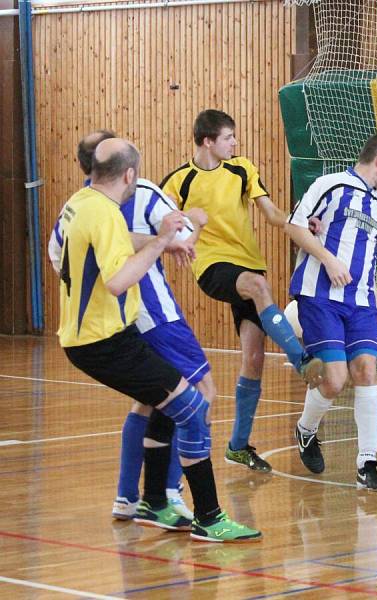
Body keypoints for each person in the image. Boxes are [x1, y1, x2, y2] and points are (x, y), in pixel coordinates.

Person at [57, 137, 260, 541]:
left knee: (169, 404)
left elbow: (91, 248)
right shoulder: (108, 214)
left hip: (102, 335)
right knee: (191, 406)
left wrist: (157, 241)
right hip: (105, 340)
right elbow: (117, 281)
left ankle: (150, 501)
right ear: (129, 175)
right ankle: (208, 517)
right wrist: (164, 240)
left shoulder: (80, 204)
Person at [161, 110, 324, 473]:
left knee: (253, 360)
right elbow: (163, 225)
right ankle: (300, 359)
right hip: (212, 267)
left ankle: (238, 446)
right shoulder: (178, 181)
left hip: (248, 262)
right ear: (208, 141)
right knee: (259, 286)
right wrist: (182, 235)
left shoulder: (242, 169)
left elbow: (271, 214)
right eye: (228, 137)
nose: (235, 143)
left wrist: (301, 222)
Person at [285, 133, 377, 489]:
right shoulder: (331, 185)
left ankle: (368, 463)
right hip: (320, 295)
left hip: (361, 302)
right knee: (335, 380)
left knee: (367, 371)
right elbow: (294, 226)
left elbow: (368, 261)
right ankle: (306, 430)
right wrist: (328, 259)